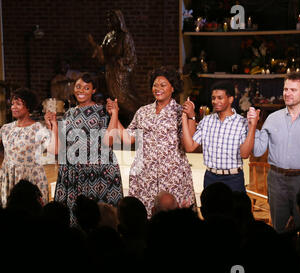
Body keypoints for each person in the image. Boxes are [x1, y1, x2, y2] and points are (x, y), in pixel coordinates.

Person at [106, 66, 195, 216]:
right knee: (145, 218)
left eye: (163, 85)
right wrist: (115, 114)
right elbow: (128, 138)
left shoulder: (181, 112)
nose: (157, 88)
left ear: (173, 88)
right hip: (145, 176)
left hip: (173, 176)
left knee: (176, 219)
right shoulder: (143, 112)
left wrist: (191, 117)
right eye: (155, 85)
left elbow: (189, 143)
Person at [46, 72, 123, 221]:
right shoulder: (69, 114)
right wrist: (53, 125)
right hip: (72, 170)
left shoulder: (102, 111)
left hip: (98, 170)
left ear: (93, 91)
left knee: (98, 216)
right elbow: (59, 148)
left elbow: (109, 141)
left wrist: (114, 114)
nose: (81, 91)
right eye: (78, 87)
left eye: (86, 88)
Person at [251, 72, 300, 233]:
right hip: (277, 180)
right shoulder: (272, 119)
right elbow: (258, 151)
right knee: (279, 229)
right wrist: (252, 126)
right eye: (286, 89)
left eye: (293, 90)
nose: (287, 93)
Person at [181, 80, 258, 193]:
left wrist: (252, 126)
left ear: (231, 99)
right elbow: (190, 147)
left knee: (235, 211)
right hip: (210, 178)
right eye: (213, 98)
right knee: (210, 211)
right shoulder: (206, 121)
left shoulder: (242, 123)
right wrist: (185, 117)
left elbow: (245, 154)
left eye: (220, 98)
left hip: (234, 179)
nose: (215, 101)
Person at [0, 88, 51, 208]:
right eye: (12, 104)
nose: (13, 107)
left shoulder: (38, 128)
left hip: (31, 177)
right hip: (9, 175)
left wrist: (52, 126)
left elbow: (53, 149)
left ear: (29, 107)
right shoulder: (6, 128)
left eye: (18, 104)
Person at [88, 9, 141, 126]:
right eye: (108, 18)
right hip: (109, 72)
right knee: (112, 98)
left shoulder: (125, 36)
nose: (109, 21)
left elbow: (131, 56)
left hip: (121, 73)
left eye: (112, 18)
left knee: (123, 98)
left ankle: (135, 121)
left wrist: (119, 63)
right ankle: (116, 123)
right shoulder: (108, 36)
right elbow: (102, 55)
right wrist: (94, 46)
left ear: (119, 19)